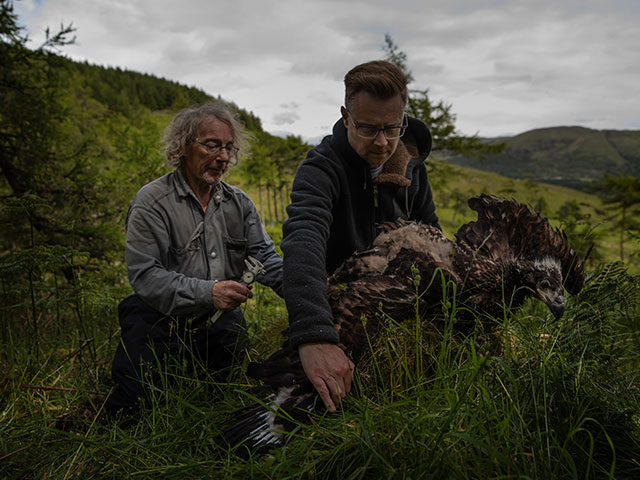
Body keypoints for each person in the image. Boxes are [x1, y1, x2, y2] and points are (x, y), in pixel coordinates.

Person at [281, 60, 440, 412]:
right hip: (339, 310)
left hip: (401, 309)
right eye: (368, 128)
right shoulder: (321, 168)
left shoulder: (414, 168)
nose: (382, 142)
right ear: (346, 116)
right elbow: (303, 238)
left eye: (392, 128)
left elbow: (432, 236)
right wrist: (313, 335)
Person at [106, 101, 283, 414]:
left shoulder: (238, 203)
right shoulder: (152, 202)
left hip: (218, 321)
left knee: (224, 396)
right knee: (135, 404)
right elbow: (145, 276)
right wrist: (209, 292)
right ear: (183, 146)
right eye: (212, 145)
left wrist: (311, 291)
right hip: (157, 316)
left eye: (229, 148)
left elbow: (266, 259)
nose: (224, 157)